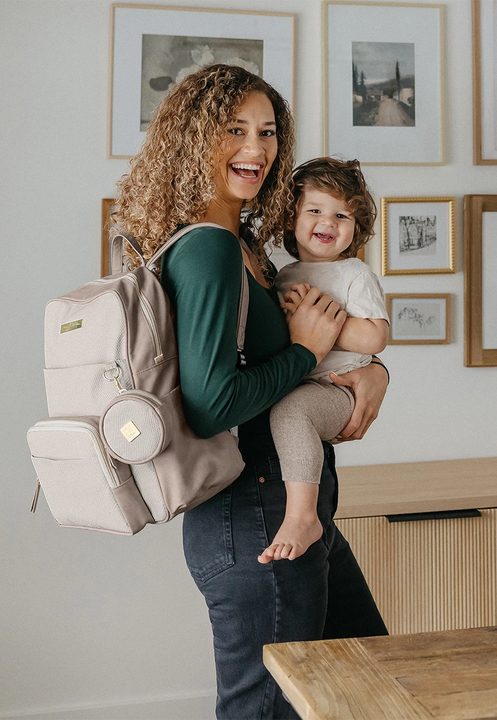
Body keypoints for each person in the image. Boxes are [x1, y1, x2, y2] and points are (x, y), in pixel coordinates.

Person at [115, 64, 388, 720]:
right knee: (267, 710)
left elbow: (321, 345)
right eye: (234, 129)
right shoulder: (209, 248)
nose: (257, 147)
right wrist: (305, 353)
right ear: (195, 137)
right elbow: (214, 405)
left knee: (368, 685)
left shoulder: (244, 246)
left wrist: (370, 372)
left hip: (289, 507)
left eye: (268, 132)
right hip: (255, 513)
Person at [259, 158, 389, 565]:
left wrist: (318, 316)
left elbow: (375, 337)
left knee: (291, 412)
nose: (327, 221)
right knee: (290, 407)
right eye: (314, 210)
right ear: (291, 219)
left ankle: (302, 515)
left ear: (356, 227)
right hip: (301, 381)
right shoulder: (281, 276)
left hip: (340, 386)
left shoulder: (353, 273)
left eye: (341, 214)